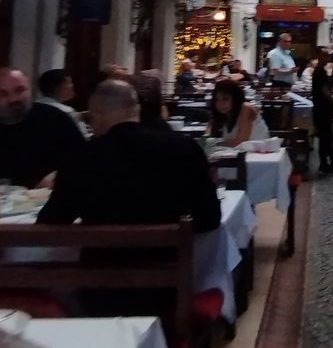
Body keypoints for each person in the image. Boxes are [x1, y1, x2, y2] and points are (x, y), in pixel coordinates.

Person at [38, 80, 221, 233]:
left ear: (97, 117)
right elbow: (210, 219)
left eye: (90, 119)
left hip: (100, 263)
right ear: (137, 110)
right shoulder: (183, 147)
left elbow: (51, 223)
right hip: (170, 260)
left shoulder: (80, 158)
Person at [0, 67, 84, 187]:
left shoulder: (56, 119)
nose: (13, 99)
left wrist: (59, 175)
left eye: (20, 90)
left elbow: (83, 159)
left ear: (30, 90)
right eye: (3, 94)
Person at [209, 78, 269, 146]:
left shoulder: (246, 108)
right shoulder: (224, 114)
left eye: (225, 99)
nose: (220, 104)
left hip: (259, 151)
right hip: (237, 151)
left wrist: (218, 144)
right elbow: (208, 132)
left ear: (235, 98)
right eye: (217, 100)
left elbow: (241, 141)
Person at [37, 69, 89, 137]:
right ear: (57, 87)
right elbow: (83, 137)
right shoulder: (66, 112)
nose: (72, 85)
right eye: (69, 83)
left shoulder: (33, 107)